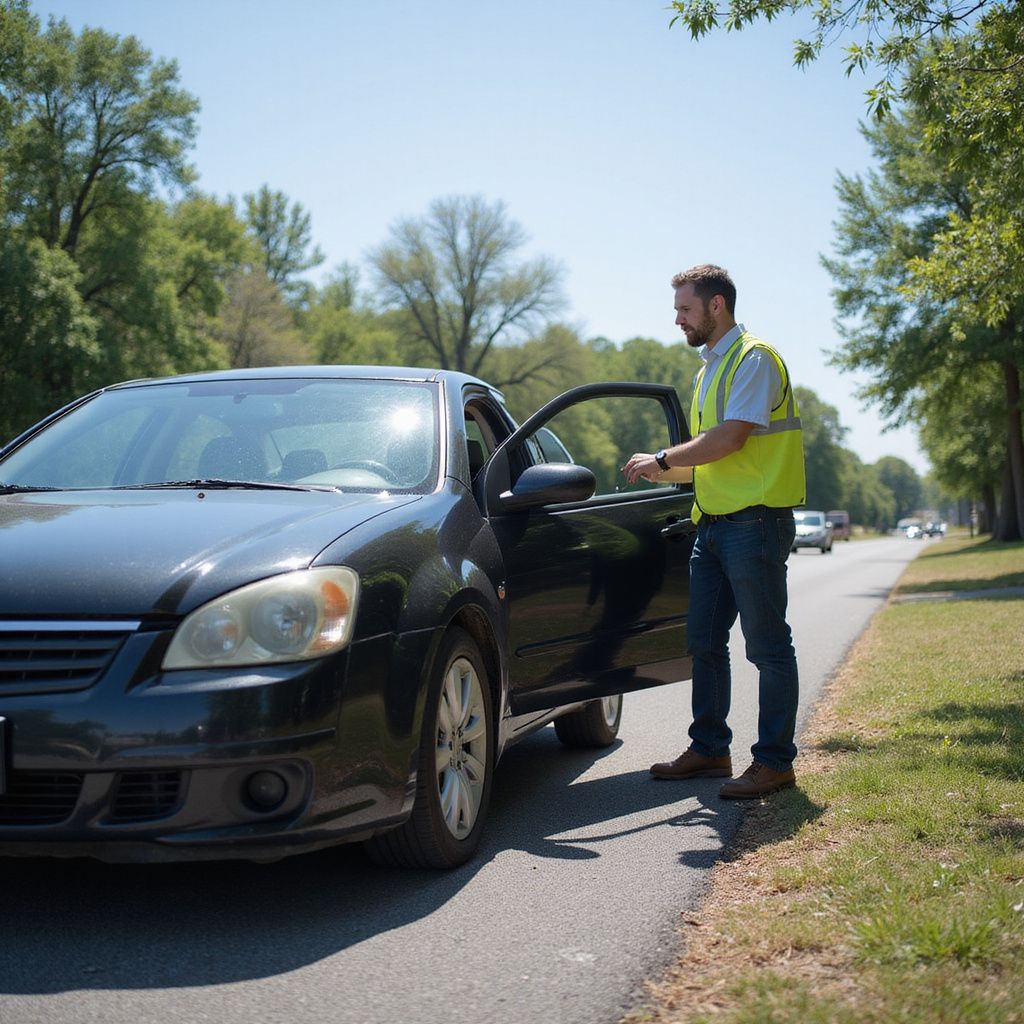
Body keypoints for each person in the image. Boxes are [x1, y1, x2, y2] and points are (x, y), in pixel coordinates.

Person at [622, 264, 806, 799]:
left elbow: (729, 439)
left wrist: (663, 454)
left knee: (768, 648)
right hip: (714, 526)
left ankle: (774, 762)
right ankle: (710, 750)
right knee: (702, 641)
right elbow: (706, 459)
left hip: (757, 522)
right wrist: (660, 469)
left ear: (716, 305)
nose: (677, 318)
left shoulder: (754, 359)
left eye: (684, 308)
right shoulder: (709, 370)